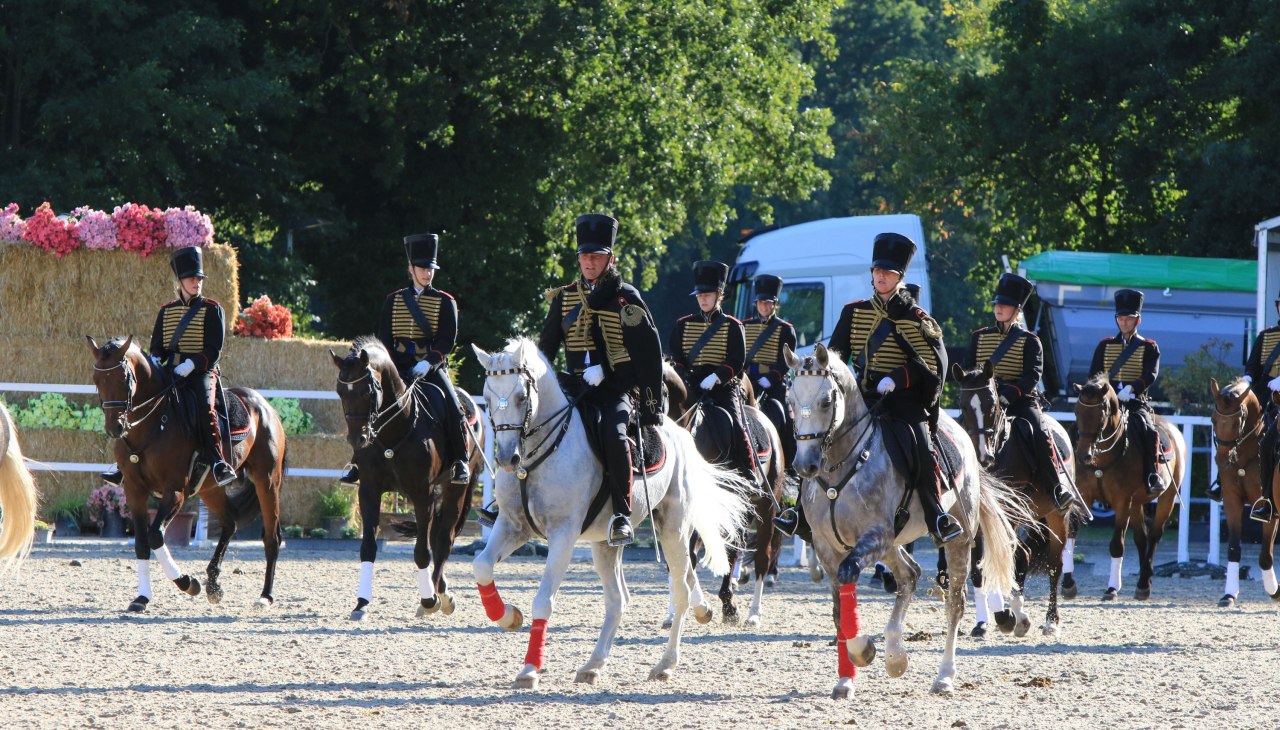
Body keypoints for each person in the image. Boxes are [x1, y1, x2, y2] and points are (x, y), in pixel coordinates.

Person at [480, 214, 664, 545]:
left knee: (614, 433)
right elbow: (545, 350)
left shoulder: (626, 299)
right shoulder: (565, 298)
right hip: (574, 385)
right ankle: (507, 504)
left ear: (610, 258)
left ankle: (621, 514)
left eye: (596, 256)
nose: (589, 262)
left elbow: (647, 358)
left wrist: (608, 372)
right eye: (584, 256)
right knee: (530, 421)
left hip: (615, 389)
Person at [778, 232, 958, 544]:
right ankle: (801, 512)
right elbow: (833, 358)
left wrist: (898, 378)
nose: (881, 277)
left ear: (899, 277)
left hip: (903, 401)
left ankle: (936, 513)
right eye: (877, 271)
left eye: (887, 273)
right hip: (862, 396)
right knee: (819, 434)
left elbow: (933, 362)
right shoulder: (855, 311)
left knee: (920, 445)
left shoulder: (916, 318)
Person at [339, 233, 471, 486]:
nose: (427, 273)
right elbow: (384, 338)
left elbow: (446, 341)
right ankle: (357, 462)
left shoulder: (445, 302)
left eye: (430, 268)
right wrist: (387, 367)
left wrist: (428, 362)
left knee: (453, 407)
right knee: (370, 405)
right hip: (395, 367)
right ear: (410, 268)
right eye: (422, 268)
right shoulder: (393, 300)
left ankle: (460, 461)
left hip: (428, 366)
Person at [102, 246, 235, 487]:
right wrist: (154, 359)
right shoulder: (167, 311)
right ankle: (124, 464)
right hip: (171, 370)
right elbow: (158, 345)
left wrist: (191, 364)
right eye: (191, 278)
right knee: (138, 402)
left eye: (199, 278)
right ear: (180, 281)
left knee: (205, 406)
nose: (197, 283)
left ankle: (218, 461)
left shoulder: (213, 310)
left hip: (200, 371)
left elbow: (214, 350)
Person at [964, 273, 1083, 514]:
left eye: (1004, 305)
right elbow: (968, 369)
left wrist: (1009, 394)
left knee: (1039, 432)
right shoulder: (979, 337)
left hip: (1017, 401)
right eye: (997, 304)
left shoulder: (1030, 341)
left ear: (1017, 310)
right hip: (985, 401)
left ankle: (1056, 489)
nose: (998, 308)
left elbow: (1033, 375)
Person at [669, 261, 756, 485]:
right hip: (691, 383)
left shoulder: (733, 325)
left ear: (719, 295)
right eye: (700, 295)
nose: (703, 299)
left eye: (707, 294)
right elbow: (677, 357)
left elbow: (737, 361)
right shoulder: (683, 325)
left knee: (736, 422)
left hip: (722, 385)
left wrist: (717, 377)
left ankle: (748, 471)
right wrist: (683, 377)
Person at [1089, 289, 1162, 495]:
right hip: (1106, 402)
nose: (1124, 323)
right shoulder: (1105, 345)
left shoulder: (1149, 346)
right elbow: (1094, 374)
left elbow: (1151, 374)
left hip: (1134, 402)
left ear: (1138, 320)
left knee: (1148, 430)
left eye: (1128, 319)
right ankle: (1081, 469)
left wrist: (1132, 388)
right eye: (1120, 318)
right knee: (1084, 426)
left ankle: (1152, 473)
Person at [741, 274, 797, 465]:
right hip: (748, 380)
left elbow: (785, 362)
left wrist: (771, 378)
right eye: (761, 302)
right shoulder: (744, 326)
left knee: (786, 418)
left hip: (772, 383)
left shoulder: (785, 329)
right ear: (756, 303)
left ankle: (789, 463)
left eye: (768, 303)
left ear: (775, 304)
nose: (764, 306)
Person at [1237, 290, 1280, 520]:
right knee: (1233, 428)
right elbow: (1252, 366)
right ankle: (1267, 503)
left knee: (1268, 442)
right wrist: (1246, 379)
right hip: (1264, 398)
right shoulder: (1266, 336)